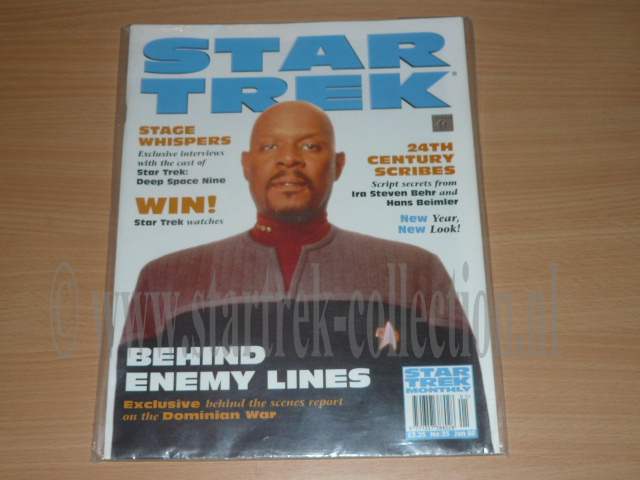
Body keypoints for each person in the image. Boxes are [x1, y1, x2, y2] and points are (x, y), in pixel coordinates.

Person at [113, 101, 493, 458]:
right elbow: (136, 431)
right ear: (246, 164)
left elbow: (458, 427)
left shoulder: (415, 269)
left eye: (310, 146)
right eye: (270, 146)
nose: (289, 159)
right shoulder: (165, 276)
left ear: (338, 164)